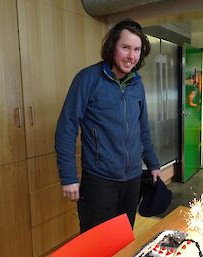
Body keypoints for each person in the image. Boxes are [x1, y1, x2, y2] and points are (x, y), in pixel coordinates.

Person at [55, 18, 162, 233]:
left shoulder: (136, 84)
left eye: (137, 49)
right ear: (112, 46)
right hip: (99, 180)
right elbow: (66, 128)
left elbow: (143, 130)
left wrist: (153, 164)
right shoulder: (87, 79)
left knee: (123, 237)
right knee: (97, 243)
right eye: (125, 48)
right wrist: (69, 177)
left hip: (132, 180)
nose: (131, 56)